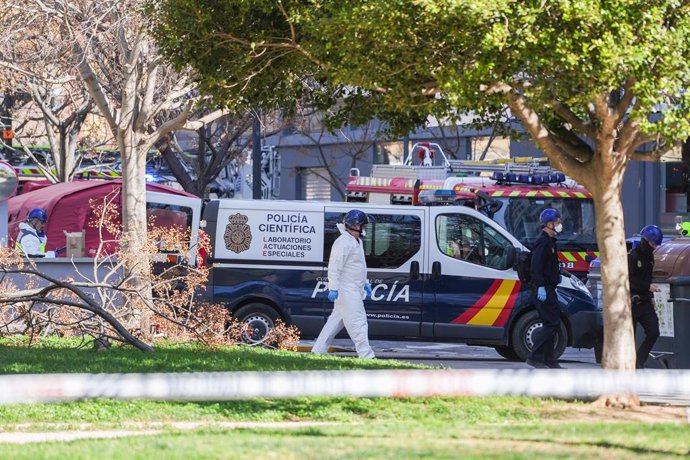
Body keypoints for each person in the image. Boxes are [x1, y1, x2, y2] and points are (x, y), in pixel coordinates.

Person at [312, 209, 375, 359]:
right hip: (347, 291)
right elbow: (335, 267)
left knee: (334, 322)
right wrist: (333, 288)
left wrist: (365, 283)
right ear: (355, 225)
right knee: (358, 322)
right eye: (363, 225)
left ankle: (318, 350)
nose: (364, 228)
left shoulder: (355, 241)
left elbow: (357, 266)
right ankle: (367, 356)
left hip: (351, 289)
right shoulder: (343, 242)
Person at [526, 208, 563, 369]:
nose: (560, 224)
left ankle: (549, 359)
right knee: (553, 323)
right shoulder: (543, 242)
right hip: (543, 289)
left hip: (548, 287)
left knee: (551, 323)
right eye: (557, 222)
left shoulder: (550, 242)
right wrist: (540, 286)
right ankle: (535, 356)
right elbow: (536, 266)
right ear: (549, 224)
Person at [629, 225, 663, 369]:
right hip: (632, 301)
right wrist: (647, 287)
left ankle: (639, 360)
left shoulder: (650, 257)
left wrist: (650, 295)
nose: (654, 247)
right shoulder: (633, 256)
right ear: (646, 241)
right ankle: (630, 364)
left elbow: (647, 277)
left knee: (653, 331)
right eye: (653, 243)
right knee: (630, 337)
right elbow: (630, 280)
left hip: (645, 301)